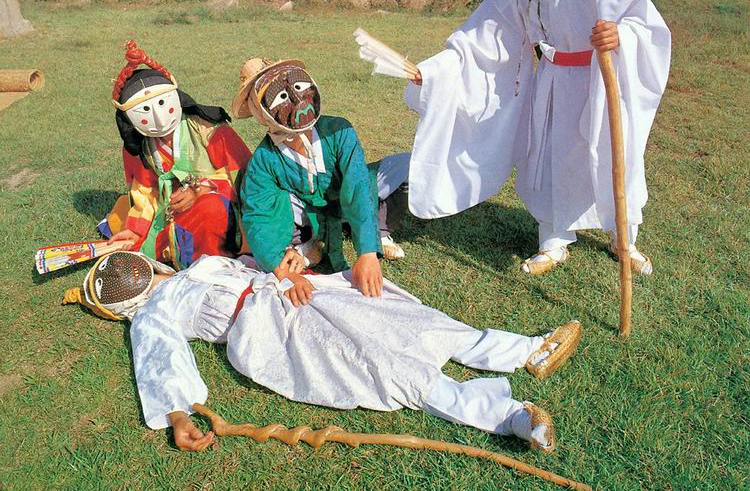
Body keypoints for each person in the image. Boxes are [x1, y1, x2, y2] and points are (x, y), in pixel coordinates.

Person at [62, 251, 582, 453]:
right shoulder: (154, 312)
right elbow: (159, 354)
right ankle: (511, 418)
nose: (134, 273)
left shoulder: (198, 266)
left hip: (296, 290)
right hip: (267, 328)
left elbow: (254, 260)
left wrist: (287, 262)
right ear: (127, 304)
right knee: (381, 365)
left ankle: (527, 350)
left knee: (406, 320)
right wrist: (177, 412)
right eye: (125, 279)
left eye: (130, 265)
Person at [404, 0, 671, 276]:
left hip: (599, 79)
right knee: (550, 157)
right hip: (552, 81)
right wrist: (435, 70)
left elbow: (642, 18)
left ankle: (623, 237)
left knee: (608, 151)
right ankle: (554, 239)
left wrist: (622, 34)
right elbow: (486, 34)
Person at [233, 58, 410, 297]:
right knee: (275, 205)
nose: (297, 99)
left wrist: (367, 252)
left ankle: (377, 231)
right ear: (261, 112)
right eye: (281, 96)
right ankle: (302, 246)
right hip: (307, 215)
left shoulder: (340, 130)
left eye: (298, 87)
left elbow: (357, 185)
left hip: (346, 201)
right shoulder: (264, 161)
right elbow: (259, 218)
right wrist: (281, 271)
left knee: (407, 165)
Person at [103, 40, 252, 269]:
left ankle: (213, 265)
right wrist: (134, 230)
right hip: (172, 213)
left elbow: (243, 172)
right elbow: (146, 193)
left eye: (163, 103)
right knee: (131, 241)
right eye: (145, 111)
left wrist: (201, 188)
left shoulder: (207, 128)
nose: (159, 118)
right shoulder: (141, 147)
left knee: (209, 209)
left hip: (224, 206)